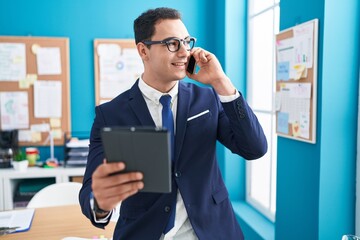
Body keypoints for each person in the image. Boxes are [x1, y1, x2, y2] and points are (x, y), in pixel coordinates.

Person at [79, 7, 267, 240]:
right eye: (172, 43)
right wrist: (101, 204)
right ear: (143, 50)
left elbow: (254, 147)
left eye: (186, 42)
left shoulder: (207, 99)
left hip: (213, 231)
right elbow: (89, 192)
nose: (184, 52)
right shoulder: (111, 114)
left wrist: (221, 82)